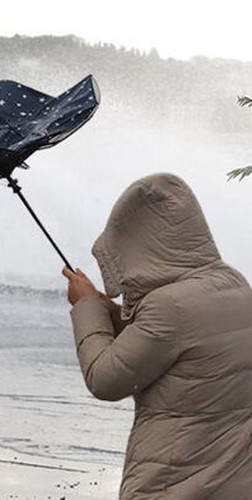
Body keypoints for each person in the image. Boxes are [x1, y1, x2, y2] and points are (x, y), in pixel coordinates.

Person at [62, 172, 252, 498]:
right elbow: (180, 352)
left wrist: (87, 308)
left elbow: (105, 380)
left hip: (173, 482)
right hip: (234, 480)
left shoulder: (169, 306)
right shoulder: (234, 283)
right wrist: (110, 312)